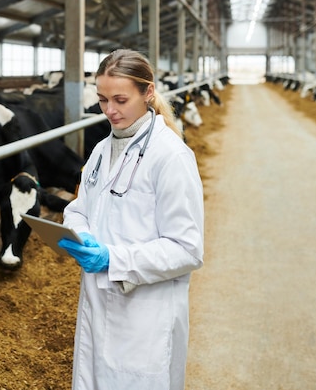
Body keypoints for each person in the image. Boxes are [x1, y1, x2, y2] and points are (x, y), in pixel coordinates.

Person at [58, 49, 204, 390]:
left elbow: (188, 248)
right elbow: (79, 209)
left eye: (121, 99)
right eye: (102, 99)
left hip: (144, 314)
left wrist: (114, 258)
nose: (109, 110)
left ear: (148, 93)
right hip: (96, 303)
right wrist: (79, 235)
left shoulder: (171, 157)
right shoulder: (100, 150)